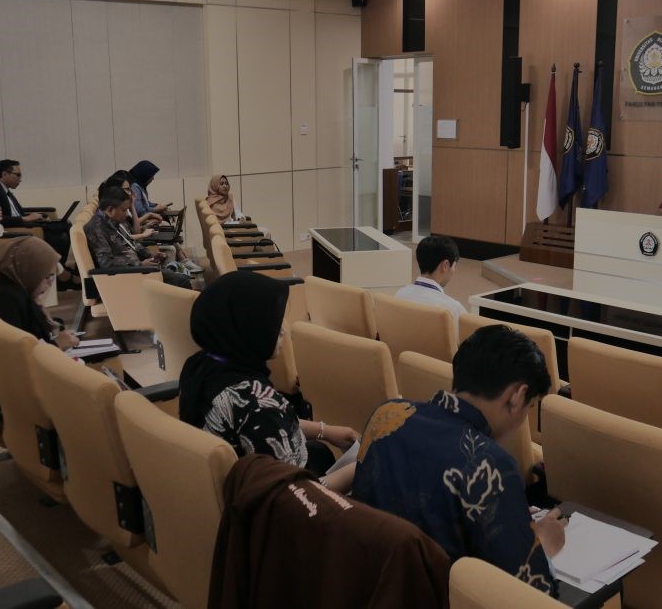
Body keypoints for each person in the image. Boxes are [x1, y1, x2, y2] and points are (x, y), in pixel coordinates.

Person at [352, 325, 564, 595]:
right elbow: (530, 590)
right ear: (517, 396)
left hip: (368, 584)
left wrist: (507, 514)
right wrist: (541, 544)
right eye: (529, 407)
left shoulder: (388, 414)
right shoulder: (489, 462)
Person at [179, 271, 359, 491]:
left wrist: (325, 430)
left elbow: (264, 425)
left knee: (319, 451)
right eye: (272, 322)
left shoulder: (201, 365)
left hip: (244, 481)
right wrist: (360, 469)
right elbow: (300, 496)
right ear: (247, 328)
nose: (283, 330)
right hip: (278, 502)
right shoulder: (257, 403)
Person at [0, 236, 79, 351]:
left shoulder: (13, 290)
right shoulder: (3, 301)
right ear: (30, 272)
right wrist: (57, 344)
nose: (49, 284)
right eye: (47, 277)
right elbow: (13, 353)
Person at [83, 186, 192, 289]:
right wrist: (139, 265)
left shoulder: (113, 221)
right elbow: (106, 263)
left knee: (181, 276)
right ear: (110, 210)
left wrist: (151, 255)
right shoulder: (96, 228)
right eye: (124, 210)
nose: (126, 214)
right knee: (182, 281)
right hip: (127, 278)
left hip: (137, 270)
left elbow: (131, 243)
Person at [0, 159, 74, 272]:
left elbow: (16, 212)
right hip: (16, 229)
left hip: (24, 224)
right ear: (4, 174)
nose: (20, 179)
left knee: (65, 224)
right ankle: (62, 272)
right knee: (62, 237)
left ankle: (67, 268)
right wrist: (25, 218)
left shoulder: (5, 191)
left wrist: (36, 216)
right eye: (17, 175)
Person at [394, 235, 467, 320]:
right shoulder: (453, 309)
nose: (454, 270)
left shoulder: (400, 294)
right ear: (445, 265)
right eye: (454, 266)